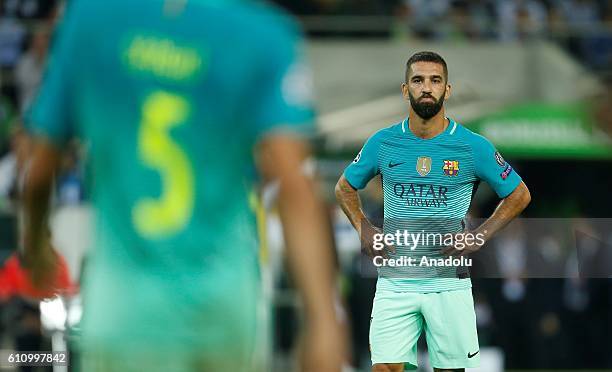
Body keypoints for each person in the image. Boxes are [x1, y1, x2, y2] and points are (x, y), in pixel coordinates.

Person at [22, 0, 345, 371]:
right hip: (223, 303)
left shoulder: (91, 17)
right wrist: (323, 315)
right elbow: (295, 186)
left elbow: (41, 165)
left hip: (126, 308)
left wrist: (34, 244)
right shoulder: (265, 34)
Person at [335, 51, 531, 372]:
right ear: (405, 89)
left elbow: (519, 194)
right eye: (418, 80)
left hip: (448, 282)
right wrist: (364, 228)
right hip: (396, 279)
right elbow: (344, 187)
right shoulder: (383, 142)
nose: (427, 87)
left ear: (447, 90)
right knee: (385, 367)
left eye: (435, 80)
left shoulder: (473, 146)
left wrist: (480, 236)